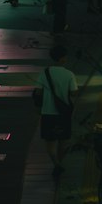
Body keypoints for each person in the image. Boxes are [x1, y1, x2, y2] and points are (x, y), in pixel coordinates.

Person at [35, 43, 79, 173]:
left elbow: (38, 92)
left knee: (50, 142)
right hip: (63, 113)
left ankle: (55, 163)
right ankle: (59, 162)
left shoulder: (45, 73)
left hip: (47, 112)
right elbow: (73, 93)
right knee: (63, 141)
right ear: (63, 58)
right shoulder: (69, 74)